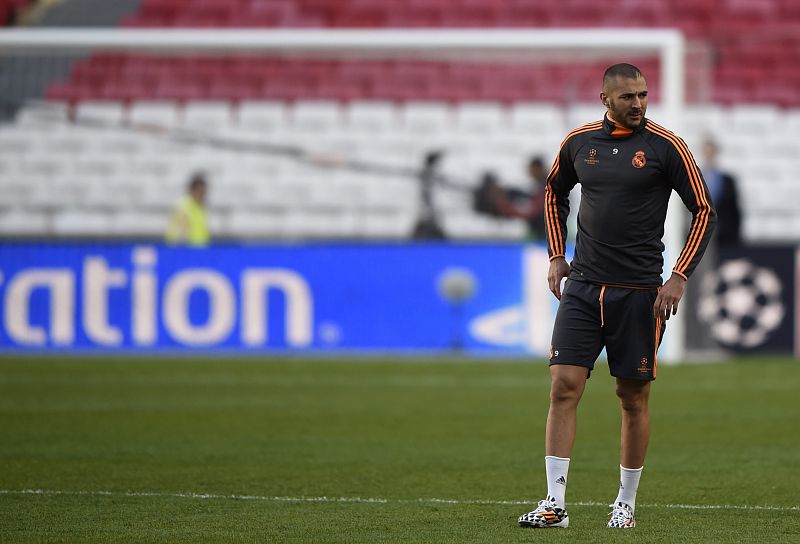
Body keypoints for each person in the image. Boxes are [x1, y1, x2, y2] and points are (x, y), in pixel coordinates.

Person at [517, 63, 716, 530]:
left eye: (643, 95)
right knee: (563, 386)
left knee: (631, 397)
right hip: (584, 287)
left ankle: (625, 502)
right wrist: (556, 255)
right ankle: (554, 503)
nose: (638, 103)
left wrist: (679, 276)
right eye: (628, 96)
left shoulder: (666, 146)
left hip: (640, 293)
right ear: (605, 99)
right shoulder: (579, 143)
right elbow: (552, 194)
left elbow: (704, 210)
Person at [700, 137, 741, 249]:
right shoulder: (695, 178)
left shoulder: (727, 180)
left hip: (724, 235)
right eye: (707, 153)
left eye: (711, 152)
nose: (709, 156)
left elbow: (734, 211)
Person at [165, 172, 210, 247]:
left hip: (200, 249)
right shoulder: (184, 207)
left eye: (203, 192)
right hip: (187, 250)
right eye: (199, 191)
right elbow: (175, 233)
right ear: (192, 191)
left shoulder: (201, 208)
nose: (202, 195)